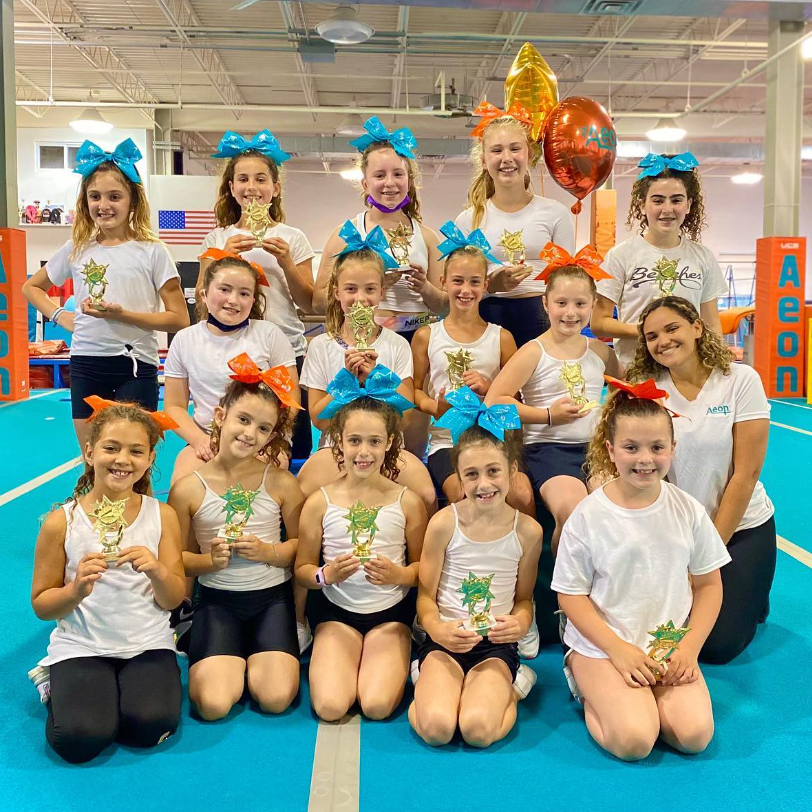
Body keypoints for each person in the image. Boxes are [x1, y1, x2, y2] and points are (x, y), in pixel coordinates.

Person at [552, 377, 731, 761]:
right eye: (631, 448)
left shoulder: (687, 510)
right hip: (604, 646)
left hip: (666, 645)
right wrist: (618, 650)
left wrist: (689, 647)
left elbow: (708, 585)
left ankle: (643, 697)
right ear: (610, 450)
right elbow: (570, 593)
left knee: (694, 735)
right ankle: (587, 687)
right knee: (634, 741)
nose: (645, 459)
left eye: (657, 447)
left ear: (673, 449)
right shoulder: (588, 516)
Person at [31, 399, 185, 763]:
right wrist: (76, 589)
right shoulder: (61, 522)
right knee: (80, 740)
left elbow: (174, 597)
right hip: (82, 644)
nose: (122, 460)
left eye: (136, 451)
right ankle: (53, 680)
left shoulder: (162, 516)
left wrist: (157, 571)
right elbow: (41, 604)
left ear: (149, 460)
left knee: (149, 727)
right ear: (89, 451)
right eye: (111, 448)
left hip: (147, 642)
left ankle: (116, 693)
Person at [628, 295, 775, 663]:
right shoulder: (648, 389)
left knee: (717, 645)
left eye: (672, 328)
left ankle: (752, 585)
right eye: (651, 336)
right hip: (673, 533)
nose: (662, 341)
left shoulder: (740, 380)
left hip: (738, 527)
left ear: (696, 328)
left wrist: (705, 557)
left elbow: (746, 475)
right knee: (652, 629)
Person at [22, 139, 189, 448]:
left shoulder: (152, 251)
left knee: (133, 457)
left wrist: (123, 315)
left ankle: (141, 498)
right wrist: (63, 316)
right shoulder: (78, 248)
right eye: (95, 196)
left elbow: (179, 318)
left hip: (135, 365)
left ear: (132, 202)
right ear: (85, 201)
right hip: (87, 362)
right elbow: (31, 287)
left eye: (115, 196)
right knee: (92, 455)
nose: (104, 205)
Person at [169, 356, 304, 720]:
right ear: (219, 416)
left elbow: (301, 551)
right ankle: (226, 650)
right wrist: (207, 562)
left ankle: (260, 652)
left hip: (272, 600)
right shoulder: (186, 489)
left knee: (275, 698)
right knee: (212, 705)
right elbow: (177, 558)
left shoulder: (281, 483)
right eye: (243, 420)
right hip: (217, 601)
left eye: (263, 428)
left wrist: (268, 552)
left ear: (272, 435)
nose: (250, 434)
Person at [295, 367, 427, 721]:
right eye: (354, 441)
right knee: (330, 706)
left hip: (390, 617)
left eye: (373, 441)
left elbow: (423, 571)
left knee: (377, 706)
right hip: (336, 615)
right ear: (338, 442)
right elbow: (302, 571)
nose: (363, 452)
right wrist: (326, 575)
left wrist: (398, 575)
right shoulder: (320, 502)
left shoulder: (408, 502)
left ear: (389, 443)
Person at [408, 402, 541, 748]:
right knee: (437, 728)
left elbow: (524, 599)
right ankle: (425, 677)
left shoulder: (527, 531)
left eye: (494, 471)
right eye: (472, 474)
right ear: (459, 477)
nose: (484, 484)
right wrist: (437, 630)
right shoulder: (443, 524)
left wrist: (521, 623)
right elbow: (425, 596)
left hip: (494, 645)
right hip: (445, 639)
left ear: (512, 470)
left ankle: (512, 687)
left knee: (478, 731)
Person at [486, 244, 621, 554]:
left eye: (579, 303)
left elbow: (622, 397)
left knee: (610, 508)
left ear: (593, 305)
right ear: (545, 304)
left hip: (597, 450)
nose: (570, 312)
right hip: (549, 450)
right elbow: (494, 403)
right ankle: (562, 594)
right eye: (561, 302)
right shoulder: (534, 351)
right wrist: (547, 415)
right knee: (573, 513)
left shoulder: (602, 353)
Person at [298, 223, 436, 513]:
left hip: (387, 447)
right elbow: (319, 420)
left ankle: (417, 559)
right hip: (334, 447)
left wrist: (377, 377)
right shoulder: (321, 347)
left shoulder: (397, 345)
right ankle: (305, 557)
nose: (360, 298)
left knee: (425, 494)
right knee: (301, 493)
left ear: (382, 292)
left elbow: (405, 417)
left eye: (369, 289)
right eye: (350, 289)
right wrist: (347, 380)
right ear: (336, 292)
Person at [199, 129, 315, 459]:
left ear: (275, 188)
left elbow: (308, 303)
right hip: (232, 351)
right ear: (232, 188)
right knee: (240, 437)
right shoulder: (217, 237)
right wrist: (223, 255)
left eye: (261, 179)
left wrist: (286, 262)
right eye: (244, 179)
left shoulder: (292, 237)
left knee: (290, 444)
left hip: (287, 351)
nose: (252, 187)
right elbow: (202, 299)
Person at [412, 221, 534, 515]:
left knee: (522, 495)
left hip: (494, 439)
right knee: (463, 494)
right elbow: (412, 390)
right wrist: (433, 407)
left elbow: (519, 401)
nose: (465, 290)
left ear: (485, 285)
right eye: (458, 281)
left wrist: (491, 390)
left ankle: (522, 558)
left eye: (474, 282)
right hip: (447, 442)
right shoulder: (427, 336)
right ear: (443, 282)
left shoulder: (501, 338)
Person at [164, 253, 299, 484]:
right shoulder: (185, 339)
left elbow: (290, 400)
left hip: (261, 440)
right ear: (204, 294)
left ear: (253, 301)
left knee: (259, 485)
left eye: (244, 293)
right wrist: (199, 441)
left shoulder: (269, 334)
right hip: (208, 437)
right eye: (224, 289)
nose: (233, 300)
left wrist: (260, 438)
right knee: (182, 486)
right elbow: (174, 406)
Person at [591, 152, 727, 368]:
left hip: (688, 371)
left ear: (689, 205)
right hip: (637, 370)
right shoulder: (621, 256)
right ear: (642, 205)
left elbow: (711, 324)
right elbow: (598, 323)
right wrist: (648, 332)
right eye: (658, 200)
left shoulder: (703, 257)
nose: (667, 209)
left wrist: (719, 365)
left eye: (676, 200)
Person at [454, 102, 574, 348]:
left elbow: (567, 281)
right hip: (487, 320)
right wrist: (491, 285)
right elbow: (459, 288)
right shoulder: (468, 220)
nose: (506, 158)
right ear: (485, 161)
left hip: (542, 322)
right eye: (497, 150)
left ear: (529, 154)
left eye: (515, 149)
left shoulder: (555, 213)